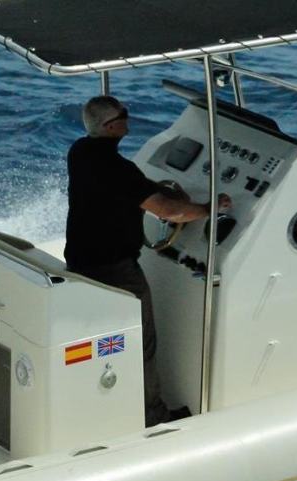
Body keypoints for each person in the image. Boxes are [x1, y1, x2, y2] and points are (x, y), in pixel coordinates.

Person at [65, 95, 230, 427]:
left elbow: (137, 188)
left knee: (106, 341)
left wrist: (161, 191)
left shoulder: (80, 152)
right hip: (116, 271)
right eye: (123, 114)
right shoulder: (119, 170)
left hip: (81, 263)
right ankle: (154, 417)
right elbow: (169, 212)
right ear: (112, 126)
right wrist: (210, 208)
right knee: (141, 343)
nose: (128, 117)